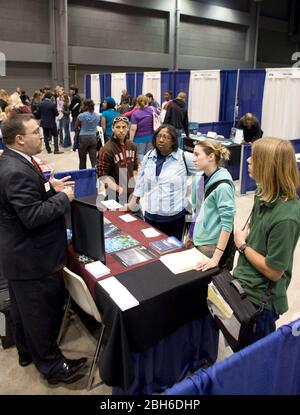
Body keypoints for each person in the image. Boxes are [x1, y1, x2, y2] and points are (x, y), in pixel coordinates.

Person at [0, 114, 87, 384]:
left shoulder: (13, 161)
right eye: (36, 132)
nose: (42, 135)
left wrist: (50, 187)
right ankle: (52, 366)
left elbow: (27, 200)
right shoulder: (15, 170)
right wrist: (63, 197)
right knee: (40, 315)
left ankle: (27, 352)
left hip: (18, 256)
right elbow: (33, 216)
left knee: (22, 312)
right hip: (32, 258)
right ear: (20, 139)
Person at [233, 137, 300, 342]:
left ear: (269, 166)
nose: (248, 161)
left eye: (255, 157)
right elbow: (254, 223)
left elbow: (274, 271)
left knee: (254, 361)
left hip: (260, 302)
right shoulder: (262, 191)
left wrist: (242, 245)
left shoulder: (286, 217)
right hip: (244, 282)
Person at [126, 124, 196, 241]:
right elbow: (141, 182)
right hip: (150, 215)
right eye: (159, 136)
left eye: (166, 137)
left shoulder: (184, 157)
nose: (161, 140)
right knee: (152, 249)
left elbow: (205, 171)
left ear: (173, 141)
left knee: (172, 252)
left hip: (175, 218)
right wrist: (133, 203)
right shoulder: (148, 156)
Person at [187, 141, 235, 271]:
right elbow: (196, 209)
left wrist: (215, 258)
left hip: (209, 246)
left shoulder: (223, 186)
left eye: (197, 155)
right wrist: (189, 234)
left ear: (211, 157)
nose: (194, 159)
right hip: (195, 239)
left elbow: (227, 224)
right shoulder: (199, 177)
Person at [97, 116, 138, 203]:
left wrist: (134, 184)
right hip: (114, 194)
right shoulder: (106, 149)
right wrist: (119, 189)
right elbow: (102, 175)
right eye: (118, 127)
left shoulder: (132, 145)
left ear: (128, 128)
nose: (121, 130)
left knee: (138, 216)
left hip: (131, 192)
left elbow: (135, 167)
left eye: (124, 127)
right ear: (112, 128)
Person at [129, 94, 157, 161]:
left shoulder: (135, 114)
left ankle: (141, 169)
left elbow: (133, 129)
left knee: (139, 154)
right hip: (152, 136)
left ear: (137, 102)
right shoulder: (154, 110)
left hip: (139, 138)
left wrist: (130, 141)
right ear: (147, 101)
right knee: (150, 154)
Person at [75, 99, 100, 169]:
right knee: (94, 160)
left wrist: (81, 128)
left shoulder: (81, 116)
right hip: (93, 137)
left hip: (83, 138)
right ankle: (96, 175)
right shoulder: (97, 116)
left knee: (82, 159)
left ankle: (83, 176)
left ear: (85, 106)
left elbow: (76, 126)